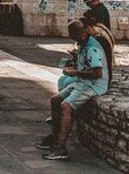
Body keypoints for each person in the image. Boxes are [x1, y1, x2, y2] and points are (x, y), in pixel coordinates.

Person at [36, 20, 109, 161]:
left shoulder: (92, 48)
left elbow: (97, 73)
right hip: (83, 82)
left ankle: (61, 148)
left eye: (71, 34)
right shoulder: (83, 44)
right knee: (55, 99)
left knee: (66, 106)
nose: (69, 36)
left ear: (77, 34)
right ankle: (55, 138)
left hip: (93, 85)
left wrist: (75, 73)